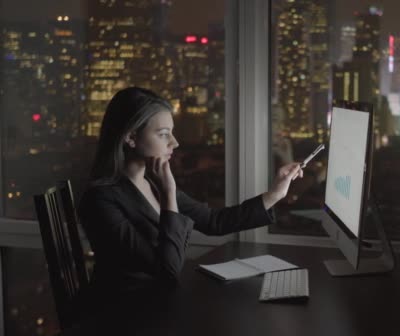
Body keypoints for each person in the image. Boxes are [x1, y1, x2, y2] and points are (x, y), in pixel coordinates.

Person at [77, 87, 303, 312]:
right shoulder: (100, 199)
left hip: (160, 305)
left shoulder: (152, 182)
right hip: (125, 316)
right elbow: (167, 270)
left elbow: (214, 221)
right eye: (164, 134)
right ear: (131, 137)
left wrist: (275, 193)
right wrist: (168, 195)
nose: (174, 143)